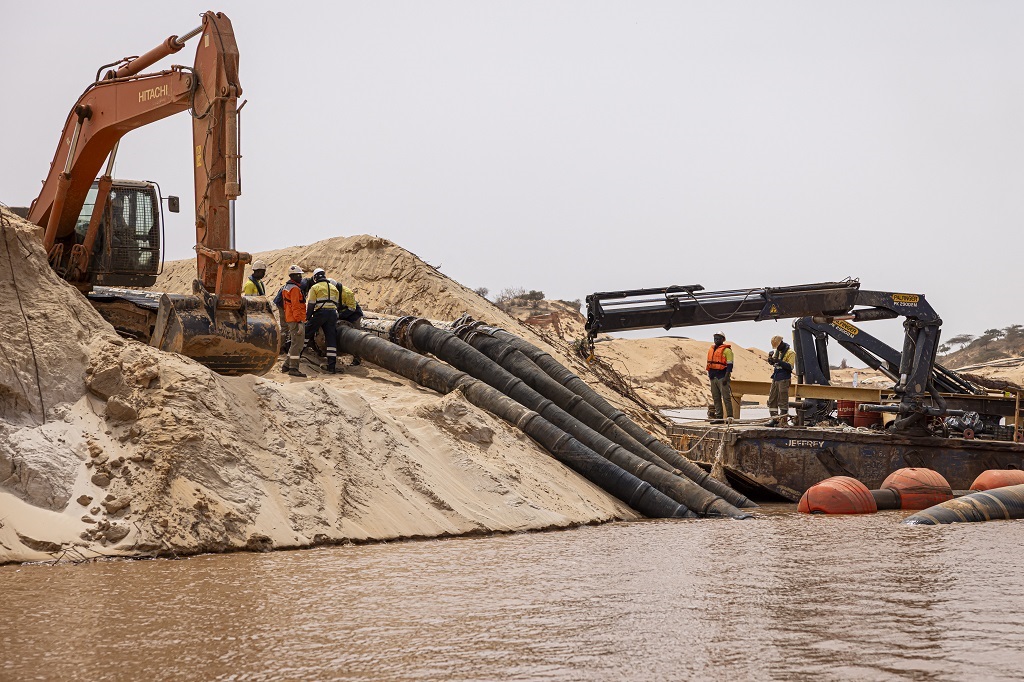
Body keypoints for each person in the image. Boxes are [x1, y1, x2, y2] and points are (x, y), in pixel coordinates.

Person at [305, 268, 341, 373]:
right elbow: (336, 305)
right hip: (332, 314)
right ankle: (331, 366)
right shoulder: (334, 288)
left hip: (320, 313)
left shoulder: (315, 287)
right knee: (331, 339)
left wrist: (307, 318)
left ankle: (296, 358)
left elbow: (311, 305)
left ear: (315, 277)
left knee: (306, 333)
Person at [274, 265, 307, 377]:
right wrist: (299, 322)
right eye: (299, 275)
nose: (301, 277)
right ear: (293, 276)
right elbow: (296, 306)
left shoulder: (287, 287)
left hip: (290, 318)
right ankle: (294, 368)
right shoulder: (294, 289)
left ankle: (287, 365)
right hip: (295, 319)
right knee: (297, 344)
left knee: (294, 343)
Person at [767, 335, 796, 426]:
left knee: (782, 400)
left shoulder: (791, 353)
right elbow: (775, 363)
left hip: (784, 378)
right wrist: (771, 360)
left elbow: (790, 366)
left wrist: (779, 361)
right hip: (776, 377)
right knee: (772, 399)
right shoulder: (778, 352)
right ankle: (774, 420)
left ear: (781, 343)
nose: (777, 348)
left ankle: (783, 421)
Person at [707, 330, 734, 422]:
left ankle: (730, 417)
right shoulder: (712, 349)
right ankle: (719, 417)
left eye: (718, 338)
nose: (716, 339)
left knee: (726, 397)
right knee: (716, 397)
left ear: (723, 339)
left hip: (722, 377)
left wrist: (726, 377)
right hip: (713, 376)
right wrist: (709, 375)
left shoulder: (727, 350)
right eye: (715, 338)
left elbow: (730, 365)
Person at [337, 283, 364, 366]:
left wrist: (340, 316)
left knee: (356, 338)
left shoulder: (347, 292)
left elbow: (352, 308)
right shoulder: (335, 292)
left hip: (354, 316)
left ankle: (357, 359)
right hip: (346, 315)